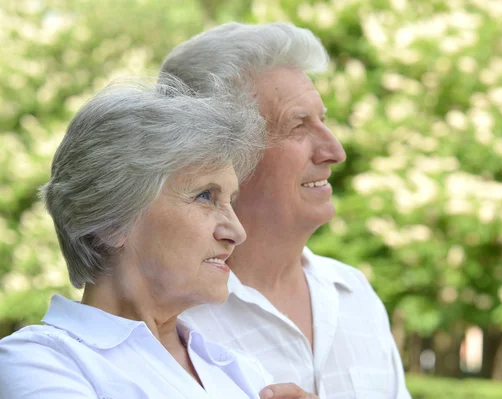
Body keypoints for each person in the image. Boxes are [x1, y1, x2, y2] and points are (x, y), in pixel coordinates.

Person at [0, 77, 318, 399]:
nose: (237, 232)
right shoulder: (37, 362)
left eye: (230, 202)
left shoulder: (242, 372)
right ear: (112, 219)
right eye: (205, 196)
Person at [161, 22, 412, 398]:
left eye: (322, 121)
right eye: (298, 126)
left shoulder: (355, 294)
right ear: (215, 154)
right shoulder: (169, 318)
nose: (335, 152)